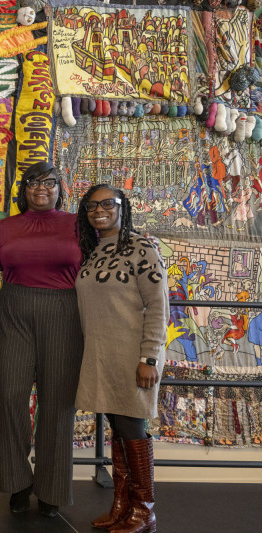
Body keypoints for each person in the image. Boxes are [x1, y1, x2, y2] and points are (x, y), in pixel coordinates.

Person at [0, 161, 83, 518]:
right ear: (23, 189)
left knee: (57, 403)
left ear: (61, 187)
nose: (42, 188)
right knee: (11, 397)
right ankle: (17, 482)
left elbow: (98, 268)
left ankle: (52, 487)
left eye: (50, 182)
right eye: (33, 183)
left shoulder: (78, 224)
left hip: (64, 313)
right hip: (15, 310)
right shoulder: (4, 228)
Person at [74, 184, 168, 533]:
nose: (99, 210)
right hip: (102, 353)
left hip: (133, 355)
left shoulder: (141, 247)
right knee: (119, 429)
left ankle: (144, 510)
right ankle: (122, 504)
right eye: (91, 206)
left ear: (121, 206)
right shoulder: (93, 250)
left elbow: (159, 305)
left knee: (133, 429)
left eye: (107, 204)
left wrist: (150, 356)